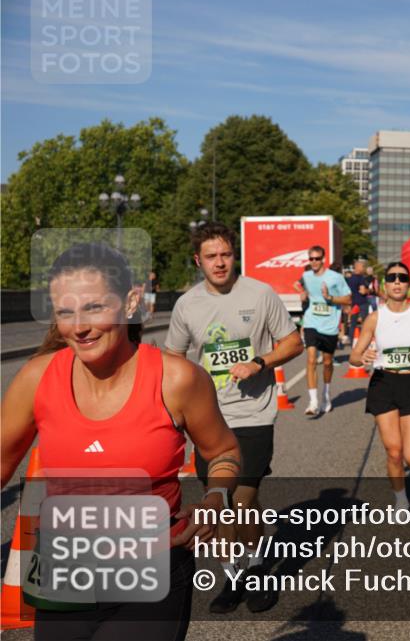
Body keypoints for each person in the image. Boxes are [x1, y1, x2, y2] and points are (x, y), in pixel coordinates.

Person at [1, 242, 240, 641]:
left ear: (131, 302)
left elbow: (224, 452)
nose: (79, 326)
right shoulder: (36, 377)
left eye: (94, 307)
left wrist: (215, 499)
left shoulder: (177, 379)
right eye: (65, 312)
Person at [164, 222, 303, 615]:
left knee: (241, 500)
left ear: (233, 255)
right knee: (223, 504)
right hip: (210, 420)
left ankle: (256, 569)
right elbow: (173, 360)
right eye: (211, 256)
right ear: (198, 261)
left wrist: (261, 361)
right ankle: (234, 572)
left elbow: (293, 342)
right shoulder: (187, 304)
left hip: (254, 414)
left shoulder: (260, 294)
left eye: (225, 254)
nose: (220, 262)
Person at [349, 262, 410, 510]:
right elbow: (354, 356)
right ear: (385, 285)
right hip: (383, 383)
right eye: (392, 278)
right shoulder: (374, 318)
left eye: (402, 278)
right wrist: (362, 358)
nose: (397, 282)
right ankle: (400, 499)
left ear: (409, 284)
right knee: (393, 452)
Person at [296, 245, 351, 416]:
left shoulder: (335, 277)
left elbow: (348, 298)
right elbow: (300, 284)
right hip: (312, 321)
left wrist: (330, 298)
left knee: (327, 363)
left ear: (323, 259)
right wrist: (302, 293)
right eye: (311, 258)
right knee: (311, 359)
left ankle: (326, 395)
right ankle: (313, 402)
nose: (314, 262)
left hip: (330, 325)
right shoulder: (306, 275)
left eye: (317, 258)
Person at [346, 259, 371, 341]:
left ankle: (351, 340)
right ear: (357, 267)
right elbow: (363, 291)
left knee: (353, 323)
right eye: (362, 266)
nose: (364, 268)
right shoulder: (361, 278)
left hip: (353, 303)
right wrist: (368, 290)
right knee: (365, 323)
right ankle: (365, 340)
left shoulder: (350, 279)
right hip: (362, 303)